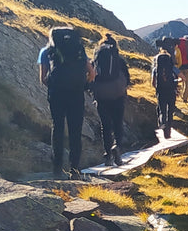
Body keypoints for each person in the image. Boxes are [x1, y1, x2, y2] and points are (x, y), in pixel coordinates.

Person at [38, 27, 93, 177]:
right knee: (76, 130)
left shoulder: (46, 51)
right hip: (76, 94)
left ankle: (57, 169)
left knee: (58, 128)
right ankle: (74, 169)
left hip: (57, 94)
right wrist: (84, 84)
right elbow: (92, 72)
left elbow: (42, 78)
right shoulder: (78, 49)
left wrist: (55, 86)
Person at [90, 33, 131, 166]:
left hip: (101, 96)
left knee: (105, 126)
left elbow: (90, 77)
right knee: (118, 123)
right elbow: (128, 79)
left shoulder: (96, 59)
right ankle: (117, 147)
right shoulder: (119, 60)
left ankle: (107, 155)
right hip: (118, 95)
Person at [150, 38, 180, 140]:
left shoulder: (155, 68)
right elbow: (182, 77)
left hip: (160, 90)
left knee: (162, 109)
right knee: (170, 111)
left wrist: (157, 88)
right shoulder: (171, 66)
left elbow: (153, 82)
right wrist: (177, 82)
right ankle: (168, 133)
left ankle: (162, 123)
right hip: (171, 90)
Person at [175, 35, 188, 103]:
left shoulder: (178, 45)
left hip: (179, 67)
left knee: (179, 82)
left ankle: (177, 96)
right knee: (187, 84)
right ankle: (185, 98)